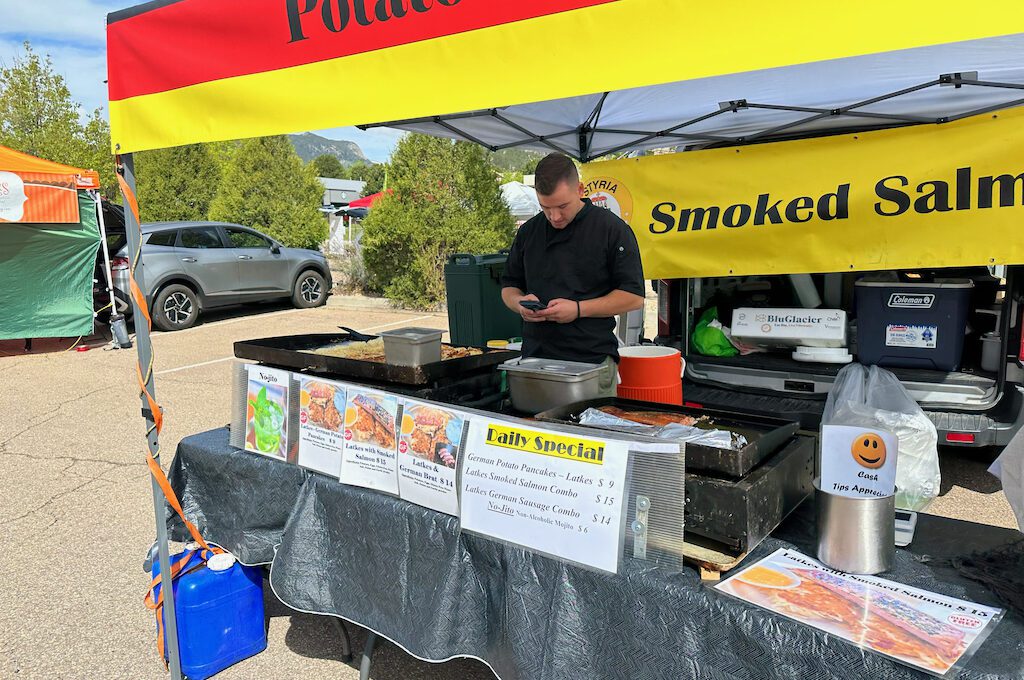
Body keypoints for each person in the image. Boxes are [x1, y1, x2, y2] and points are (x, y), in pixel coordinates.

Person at [500, 152, 645, 396]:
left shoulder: (611, 229)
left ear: (580, 189)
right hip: (536, 360)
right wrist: (520, 305)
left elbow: (633, 297)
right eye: (545, 208)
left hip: (591, 361)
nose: (554, 217)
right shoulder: (529, 232)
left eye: (562, 206)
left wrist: (577, 309)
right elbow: (509, 287)